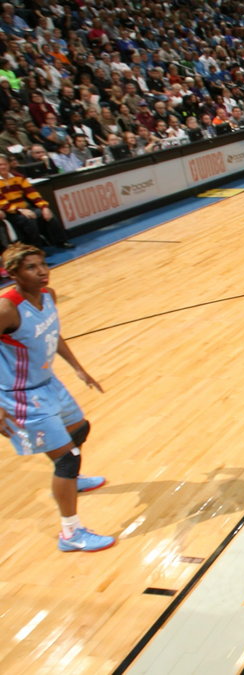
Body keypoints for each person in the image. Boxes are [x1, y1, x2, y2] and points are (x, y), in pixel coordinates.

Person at [0, 244, 112, 552]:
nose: (42, 271)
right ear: (13, 274)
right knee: (67, 459)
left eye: (43, 264)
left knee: (80, 429)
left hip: (48, 382)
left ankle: (69, 483)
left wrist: (79, 369)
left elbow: (53, 333)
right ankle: (71, 534)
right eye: (32, 268)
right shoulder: (6, 309)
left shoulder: (49, 295)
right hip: (20, 395)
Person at [0, 154, 73, 248]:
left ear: (9, 165)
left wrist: (44, 207)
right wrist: (20, 210)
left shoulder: (18, 177)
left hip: (24, 208)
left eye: (4, 164)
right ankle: (37, 248)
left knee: (47, 214)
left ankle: (61, 241)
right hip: (9, 212)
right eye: (0, 165)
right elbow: (2, 203)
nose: (3, 167)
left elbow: (32, 193)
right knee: (28, 220)